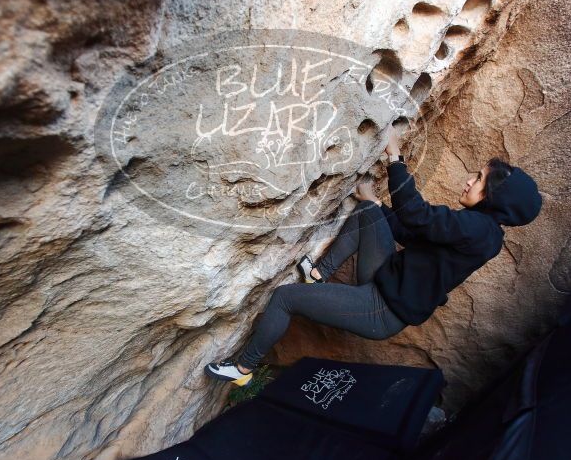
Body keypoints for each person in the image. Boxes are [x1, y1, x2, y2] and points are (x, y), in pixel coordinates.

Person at [205, 124, 542, 386]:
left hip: (381, 308)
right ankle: (318, 275)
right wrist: (378, 204)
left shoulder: (477, 228)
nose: (469, 181)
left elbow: (416, 214)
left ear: (494, 197)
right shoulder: (484, 230)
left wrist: (395, 156)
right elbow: (414, 232)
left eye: (479, 179)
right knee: (369, 212)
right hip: (386, 279)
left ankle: (243, 367)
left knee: (284, 298)